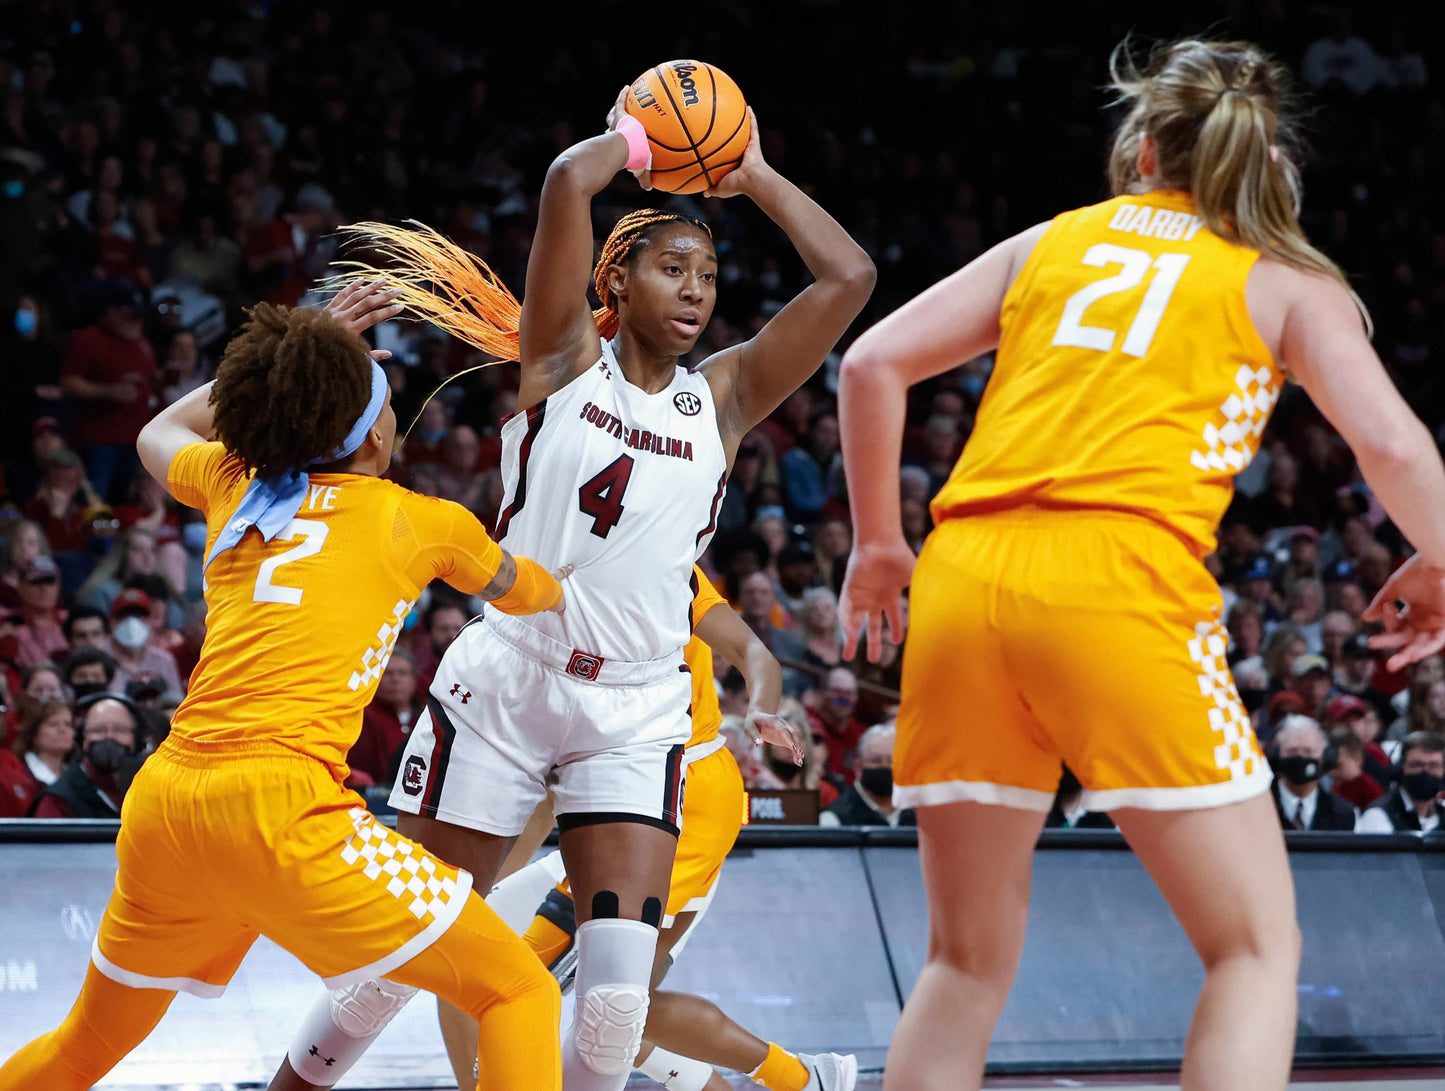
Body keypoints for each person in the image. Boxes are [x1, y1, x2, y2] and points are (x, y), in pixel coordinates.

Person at [835, 37, 1445, 1091]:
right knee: (1252, 949)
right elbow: (1389, 445)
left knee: (960, 961)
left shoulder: (1055, 240)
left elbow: (870, 360)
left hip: (962, 577)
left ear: (1146, 146)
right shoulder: (1286, 280)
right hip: (1115, 583)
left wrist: (878, 543)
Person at [309, 88, 872, 1091]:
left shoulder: (728, 395)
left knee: (612, 1007)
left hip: (637, 707)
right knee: (404, 947)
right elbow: (568, 181)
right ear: (617, 278)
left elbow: (849, 275)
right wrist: (637, 143)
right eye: (671, 267)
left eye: (706, 273)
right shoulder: (561, 360)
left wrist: (750, 176)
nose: (695, 289)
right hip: (511, 678)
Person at [0, 283, 570, 1091]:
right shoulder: (419, 520)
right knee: (516, 987)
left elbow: (157, 429)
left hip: (167, 801)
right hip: (282, 807)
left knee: (83, 1046)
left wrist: (311, 334)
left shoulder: (235, 482)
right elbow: (534, 592)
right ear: (377, 432)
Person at [275, 567, 850, 1091]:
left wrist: (761, 707)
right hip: (601, 778)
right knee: (592, 1003)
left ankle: (803, 1080)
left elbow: (755, 654)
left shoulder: (664, 561)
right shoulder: (538, 565)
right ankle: (804, 1080)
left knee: (575, 1004)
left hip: (678, 789)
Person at [31, 692, 144, 818]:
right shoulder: (57, 801)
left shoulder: (148, 789)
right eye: (99, 730)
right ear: (83, 739)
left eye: (120, 730)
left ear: (135, 740)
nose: (109, 737)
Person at [1269, 715, 1356, 831]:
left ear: (1326, 758)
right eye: (1292, 751)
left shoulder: (1344, 814)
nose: (1300, 757)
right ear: (1276, 757)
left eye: (1308, 751)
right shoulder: (1257, 809)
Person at [819, 724, 915, 828]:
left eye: (892, 761)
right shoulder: (834, 819)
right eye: (876, 761)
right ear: (858, 767)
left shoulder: (922, 814)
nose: (885, 766)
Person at [1359, 732, 1445, 833]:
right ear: (1400, 769)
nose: (1425, 772)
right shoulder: (1378, 815)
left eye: (1433, 765)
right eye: (1417, 765)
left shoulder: (1442, 813)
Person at [0, 698, 74, 816]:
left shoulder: (78, 774)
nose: (62, 729)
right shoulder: (21, 772)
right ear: (34, 733)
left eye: (68, 724)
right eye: (53, 724)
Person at [1327, 728, 1384, 811]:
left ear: (1357, 759)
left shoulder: (1370, 790)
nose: (1332, 772)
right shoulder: (1335, 788)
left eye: (1338, 765)